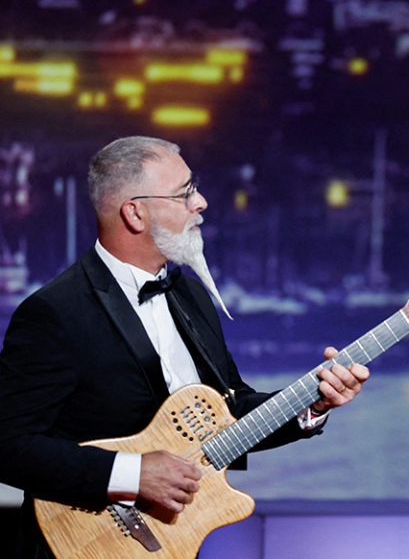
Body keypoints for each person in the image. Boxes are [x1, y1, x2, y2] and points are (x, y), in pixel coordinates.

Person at [0, 136, 370, 558]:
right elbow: (7, 444)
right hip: (83, 546)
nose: (201, 203)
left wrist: (311, 404)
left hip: (173, 544)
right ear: (135, 213)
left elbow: (229, 411)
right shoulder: (55, 312)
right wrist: (133, 474)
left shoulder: (191, 296)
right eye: (185, 193)